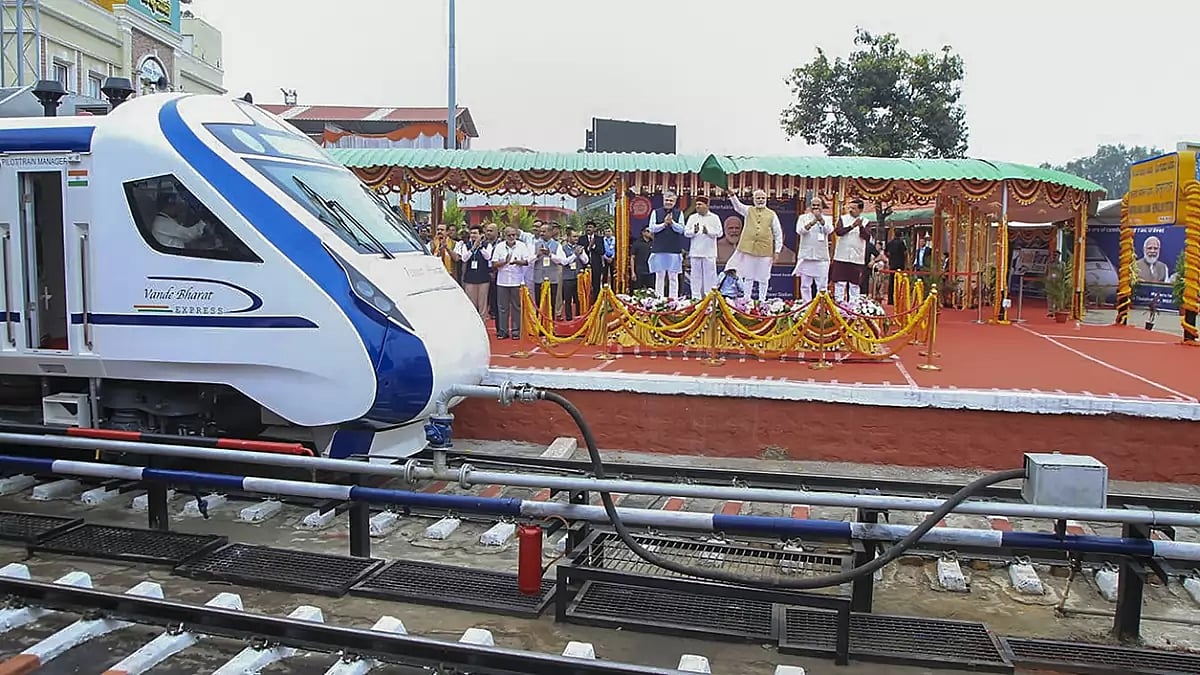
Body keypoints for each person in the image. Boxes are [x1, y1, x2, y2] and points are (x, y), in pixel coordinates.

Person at [726, 189, 783, 302]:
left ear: (766, 199)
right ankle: (747, 299)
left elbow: (778, 233)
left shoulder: (772, 214)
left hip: (765, 250)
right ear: (754, 199)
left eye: (762, 198)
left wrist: (777, 251)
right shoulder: (749, 210)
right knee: (748, 276)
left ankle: (762, 300)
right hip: (749, 249)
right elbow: (738, 207)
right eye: (758, 198)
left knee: (764, 277)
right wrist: (732, 195)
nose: (760, 200)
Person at [490, 227, 530, 340]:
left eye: (514, 235)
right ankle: (503, 331)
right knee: (502, 307)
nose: (512, 237)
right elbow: (493, 263)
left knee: (517, 307)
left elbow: (527, 261)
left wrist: (517, 262)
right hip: (502, 281)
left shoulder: (521, 246)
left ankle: (516, 331)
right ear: (504, 235)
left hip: (517, 280)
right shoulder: (499, 246)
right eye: (509, 235)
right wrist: (504, 262)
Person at [792, 196, 834, 303]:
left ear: (822, 207)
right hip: (806, 256)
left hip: (821, 257)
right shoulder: (803, 217)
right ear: (810, 207)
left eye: (818, 205)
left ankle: (821, 306)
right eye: (813, 205)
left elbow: (829, 230)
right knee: (805, 285)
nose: (815, 207)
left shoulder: (828, 218)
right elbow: (799, 231)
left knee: (822, 285)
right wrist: (812, 222)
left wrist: (820, 220)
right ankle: (806, 305)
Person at [647, 191, 687, 297]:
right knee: (659, 275)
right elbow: (651, 228)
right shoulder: (656, 212)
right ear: (663, 200)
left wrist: (672, 223)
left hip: (674, 249)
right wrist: (664, 224)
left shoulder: (679, 213)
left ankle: (673, 300)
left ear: (675, 202)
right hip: (659, 248)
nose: (668, 202)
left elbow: (682, 229)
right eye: (667, 200)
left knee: (673, 276)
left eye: (671, 200)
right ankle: (658, 299)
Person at [831, 198, 870, 302]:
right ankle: (839, 305)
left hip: (857, 258)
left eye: (854, 208)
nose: (851, 210)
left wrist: (860, 226)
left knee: (855, 285)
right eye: (850, 208)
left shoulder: (866, 222)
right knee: (840, 283)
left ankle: (854, 307)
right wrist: (852, 226)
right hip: (842, 256)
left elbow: (867, 237)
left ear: (860, 210)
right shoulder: (843, 219)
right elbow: (839, 232)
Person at [684, 196, 723, 298]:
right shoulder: (693, 218)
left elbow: (720, 233)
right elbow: (686, 232)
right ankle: (695, 298)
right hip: (695, 252)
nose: (697, 206)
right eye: (696, 205)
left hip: (709, 252)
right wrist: (694, 231)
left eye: (700, 204)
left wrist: (708, 232)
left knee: (710, 276)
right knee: (695, 276)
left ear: (706, 205)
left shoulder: (714, 217)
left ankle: (709, 298)